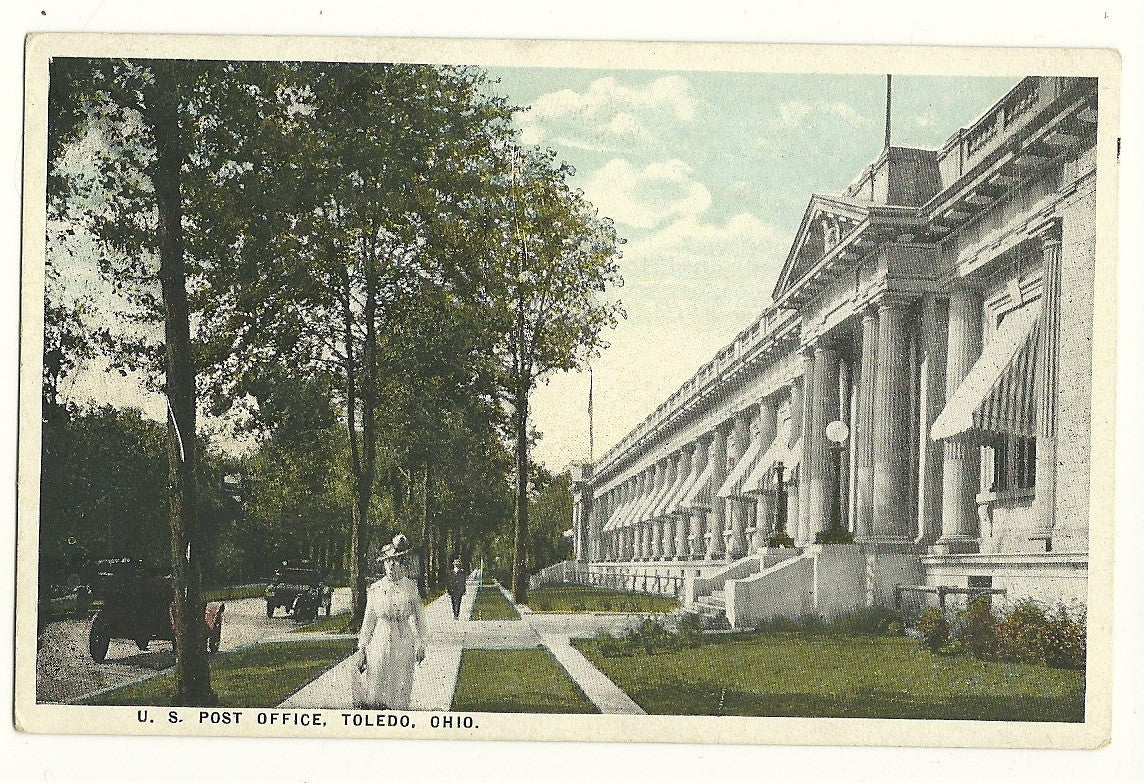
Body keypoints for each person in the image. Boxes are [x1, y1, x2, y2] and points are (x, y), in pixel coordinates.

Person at [352, 533, 427, 710]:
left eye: (396, 562)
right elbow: (369, 621)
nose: (391, 566)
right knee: (377, 678)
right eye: (388, 562)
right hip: (381, 637)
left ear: (402, 564)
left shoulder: (410, 587)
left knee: (400, 682)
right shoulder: (376, 589)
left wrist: (422, 644)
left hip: (404, 638)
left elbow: (420, 618)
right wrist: (362, 648)